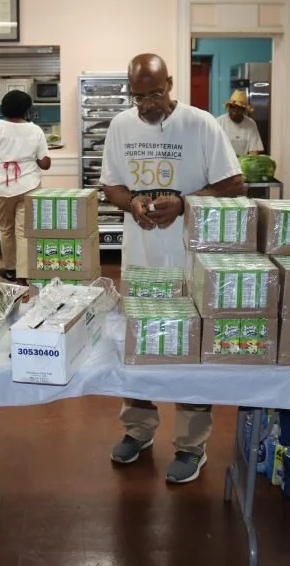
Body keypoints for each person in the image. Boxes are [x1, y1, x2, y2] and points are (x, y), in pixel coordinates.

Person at [100, 53, 243, 484]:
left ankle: (191, 445)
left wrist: (184, 202)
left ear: (171, 84)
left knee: (188, 352)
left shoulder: (201, 124)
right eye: (138, 96)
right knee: (138, 346)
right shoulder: (120, 126)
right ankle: (138, 429)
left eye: (155, 94)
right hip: (140, 258)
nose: (146, 104)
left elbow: (234, 184)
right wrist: (131, 203)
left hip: (189, 261)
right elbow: (110, 183)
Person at [0, 90, 51, 282]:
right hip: (29, 185)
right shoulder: (35, 130)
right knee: (24, 231)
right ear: (27, 110)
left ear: (4, 108)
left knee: (6, 229)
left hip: (1, 186)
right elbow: (45, 164)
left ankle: (10, 268)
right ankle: (24, 274)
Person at [216, 89, 264, 156]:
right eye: (232, 107)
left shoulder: (251, 124)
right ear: (229, 107)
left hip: (243, 165)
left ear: (244, 110)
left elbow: (254, 151)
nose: (235, 110)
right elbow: (212, 147)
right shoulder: (219, 122)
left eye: (239, 108)